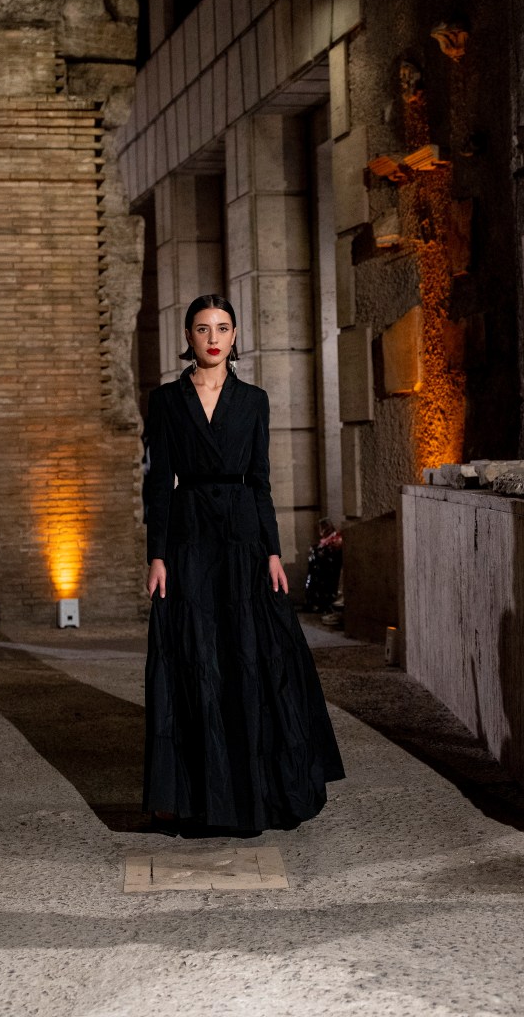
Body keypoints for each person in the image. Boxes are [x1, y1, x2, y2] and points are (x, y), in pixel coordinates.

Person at [144, 294, 345, 835]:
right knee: (196, 656)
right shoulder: (166, 401)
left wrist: (273, 551)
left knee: (252, 655)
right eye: (202, 328)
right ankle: (192, 796)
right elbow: (158, 484)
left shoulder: (254, 400)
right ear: (188, 337)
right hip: (189, 537)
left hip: (243, 540)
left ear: (235, 336)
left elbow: (260, 481)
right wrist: (157, 555)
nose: (213, 338)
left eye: (223, 328)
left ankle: (257, 790)